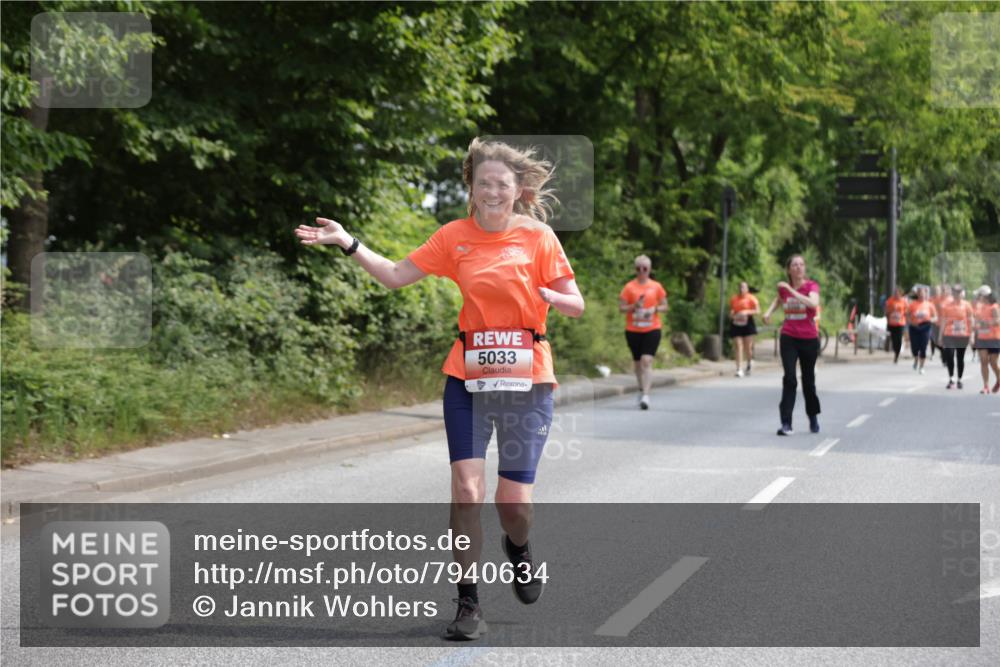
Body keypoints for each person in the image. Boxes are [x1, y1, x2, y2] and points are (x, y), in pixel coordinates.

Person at [294, 137, 584, 640]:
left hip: (528, 380)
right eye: (483, 183)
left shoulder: (538, 237)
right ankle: (468, 603)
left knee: (513, 505)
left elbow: (576, 303)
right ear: (471, 187)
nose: (492, 192)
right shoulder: (454, 236)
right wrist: (349, 242)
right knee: (467, 491)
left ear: (518, 190)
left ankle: (518, 548)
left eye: (502, 184)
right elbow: (394, 275)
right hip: (467, 377)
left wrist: (550, 295)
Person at [763, 254, 821, 435]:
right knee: (789, 378)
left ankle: (813, 416)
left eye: (801, 264)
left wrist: (791, 289)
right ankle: (786, 423)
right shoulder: (784, 289)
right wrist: (768, 312)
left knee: (808, 381)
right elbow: (779, 299)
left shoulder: (811, 286)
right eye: (795, 265)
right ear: (789, 269)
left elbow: (813, 303)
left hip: (809, 339)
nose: (798, 267)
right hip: (789, 337)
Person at [619, 255, 668, 409]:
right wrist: (634, 306)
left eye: (644, 269)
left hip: (652, 328)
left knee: (647, 360)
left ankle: (646, 395)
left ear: (649, 270)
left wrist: (654, 309)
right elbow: (621, 308)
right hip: (633, 329)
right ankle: (641, 390)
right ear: (635, 269)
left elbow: (665, 306)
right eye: (638, 268)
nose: (641, 271)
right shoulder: (629, 287)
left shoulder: (656, 286)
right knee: (637, 364)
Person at [939, 284, 974, 389]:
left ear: (962, 293)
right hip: (949, 334)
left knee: (960, 358)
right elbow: (943, 321)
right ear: (952, 293)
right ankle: (951, 379)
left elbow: (971, 320)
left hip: (963, 335)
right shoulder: (947, 306)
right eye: (955, 292)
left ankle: (959, 379)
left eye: (959, 292)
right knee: (949, 355)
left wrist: (971, 335)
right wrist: (940, 336)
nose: (957, 294)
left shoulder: (967, 305)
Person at [729, 281, 760, 377]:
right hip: (736, 322)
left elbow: (758, 311)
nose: (741, 289)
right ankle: (739, 369)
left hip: (748, 323)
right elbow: (732, 310)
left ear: (747, 289)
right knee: (738, 346)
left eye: (743, 287)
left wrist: (746, 312)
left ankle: (750, 361)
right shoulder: (734, 298)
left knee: (748, 347)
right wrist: (732, 315)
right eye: (740, 287)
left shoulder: (752, 298)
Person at [972, 285, 1000, 394]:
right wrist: (974, 333)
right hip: (982, 338)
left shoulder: (994, 307)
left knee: (993, 362)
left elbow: (998, 321)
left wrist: (986, 323)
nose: (978, 297)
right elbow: (976, 321)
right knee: (984, 361)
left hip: (994, 338)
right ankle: (986, 386)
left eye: (979, 295)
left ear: (985, 296)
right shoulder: (979, 307)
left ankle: (999, 379)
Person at [907, 285, 937, 375]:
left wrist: (931, 319)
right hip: (914, 327)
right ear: (917, 294)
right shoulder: (912, 304)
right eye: (920, 294)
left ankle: (922, 367)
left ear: (925, 295)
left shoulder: (929, 305)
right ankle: (916, 358)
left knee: (923, 347)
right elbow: (907, 315)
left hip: (926, 327)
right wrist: (911, 322)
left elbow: (935, 317)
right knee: (914, 347)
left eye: (923, 294)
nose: (921, 295)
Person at [884, 286, 908, 364]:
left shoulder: (904, 301)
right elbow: (887, 312)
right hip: (892, 323)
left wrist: (905, 316)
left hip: (901, 323)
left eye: (898, 293)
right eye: (895, 292)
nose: (896, 294)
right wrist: (887, 320)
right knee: (894, 340)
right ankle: (895, 352)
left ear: (901, 294)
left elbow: (906, 312)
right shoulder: (890, 301)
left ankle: (896, 355)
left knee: (899, 340)